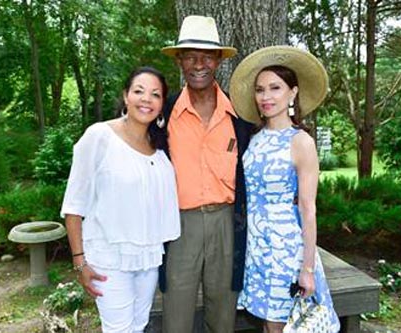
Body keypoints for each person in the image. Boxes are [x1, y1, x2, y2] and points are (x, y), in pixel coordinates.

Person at [229, 46, 340, 333]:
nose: (266, 97)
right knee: (269, 324)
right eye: (260, 89)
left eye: (275, 88)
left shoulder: (301, 142)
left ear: (292, 93)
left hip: (285, 250)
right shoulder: (253, 139)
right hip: (256, 248)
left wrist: (307, 268)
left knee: (281, 326)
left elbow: (308, 208)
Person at [61, 66, 181, 333]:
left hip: (148, 257)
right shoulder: (99, 136)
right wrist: (80, 262)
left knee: (138, 326)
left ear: (162, 105)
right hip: (109, 257)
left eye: (155, 94)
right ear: (126, 96)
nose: (146, 99)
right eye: (138, 91)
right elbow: (73, 206)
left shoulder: (159, 148)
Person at [159, 15, 253, 333]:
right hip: (179, 227)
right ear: (180, 61)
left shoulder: (241, 116)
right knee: (176, 317)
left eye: (207, 55)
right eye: (190, 55)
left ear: (218, 61)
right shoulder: (163, 113)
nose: (198, 63)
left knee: (223, 315)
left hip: (227, 223)